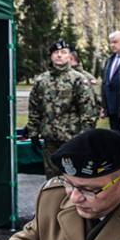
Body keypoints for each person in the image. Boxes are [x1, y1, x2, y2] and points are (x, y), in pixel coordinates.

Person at [26, 39, 97, 178]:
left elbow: (88, 111)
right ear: (51, 56)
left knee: (74, 178)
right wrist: (33, 133)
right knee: (52, 180)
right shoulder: (41, 81)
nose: (59, 55)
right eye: (56, 52)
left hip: (72, 139)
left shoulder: (78, 79)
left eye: (63, 52)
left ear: (69, 56)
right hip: (50, 140)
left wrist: (85, 137)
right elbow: (34, 108)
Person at [101, 30, 120, 131]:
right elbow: (105, 83)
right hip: (112, 109)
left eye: (115, 42)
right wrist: (104, 106)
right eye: (111, 42)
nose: (112, 45)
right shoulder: (110, 60)